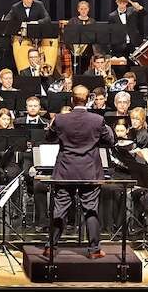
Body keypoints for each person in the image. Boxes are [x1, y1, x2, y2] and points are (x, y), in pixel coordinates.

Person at [43, 85, 115, 258]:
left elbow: (49, 138)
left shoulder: (60, 119)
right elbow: (110, 140)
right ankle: (94, 250)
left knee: (59, 209)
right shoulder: (97, 120)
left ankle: (50, 247)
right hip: (89, 171)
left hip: (65, 171)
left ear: (72, 100)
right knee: (90, 210)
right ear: (88, 99)